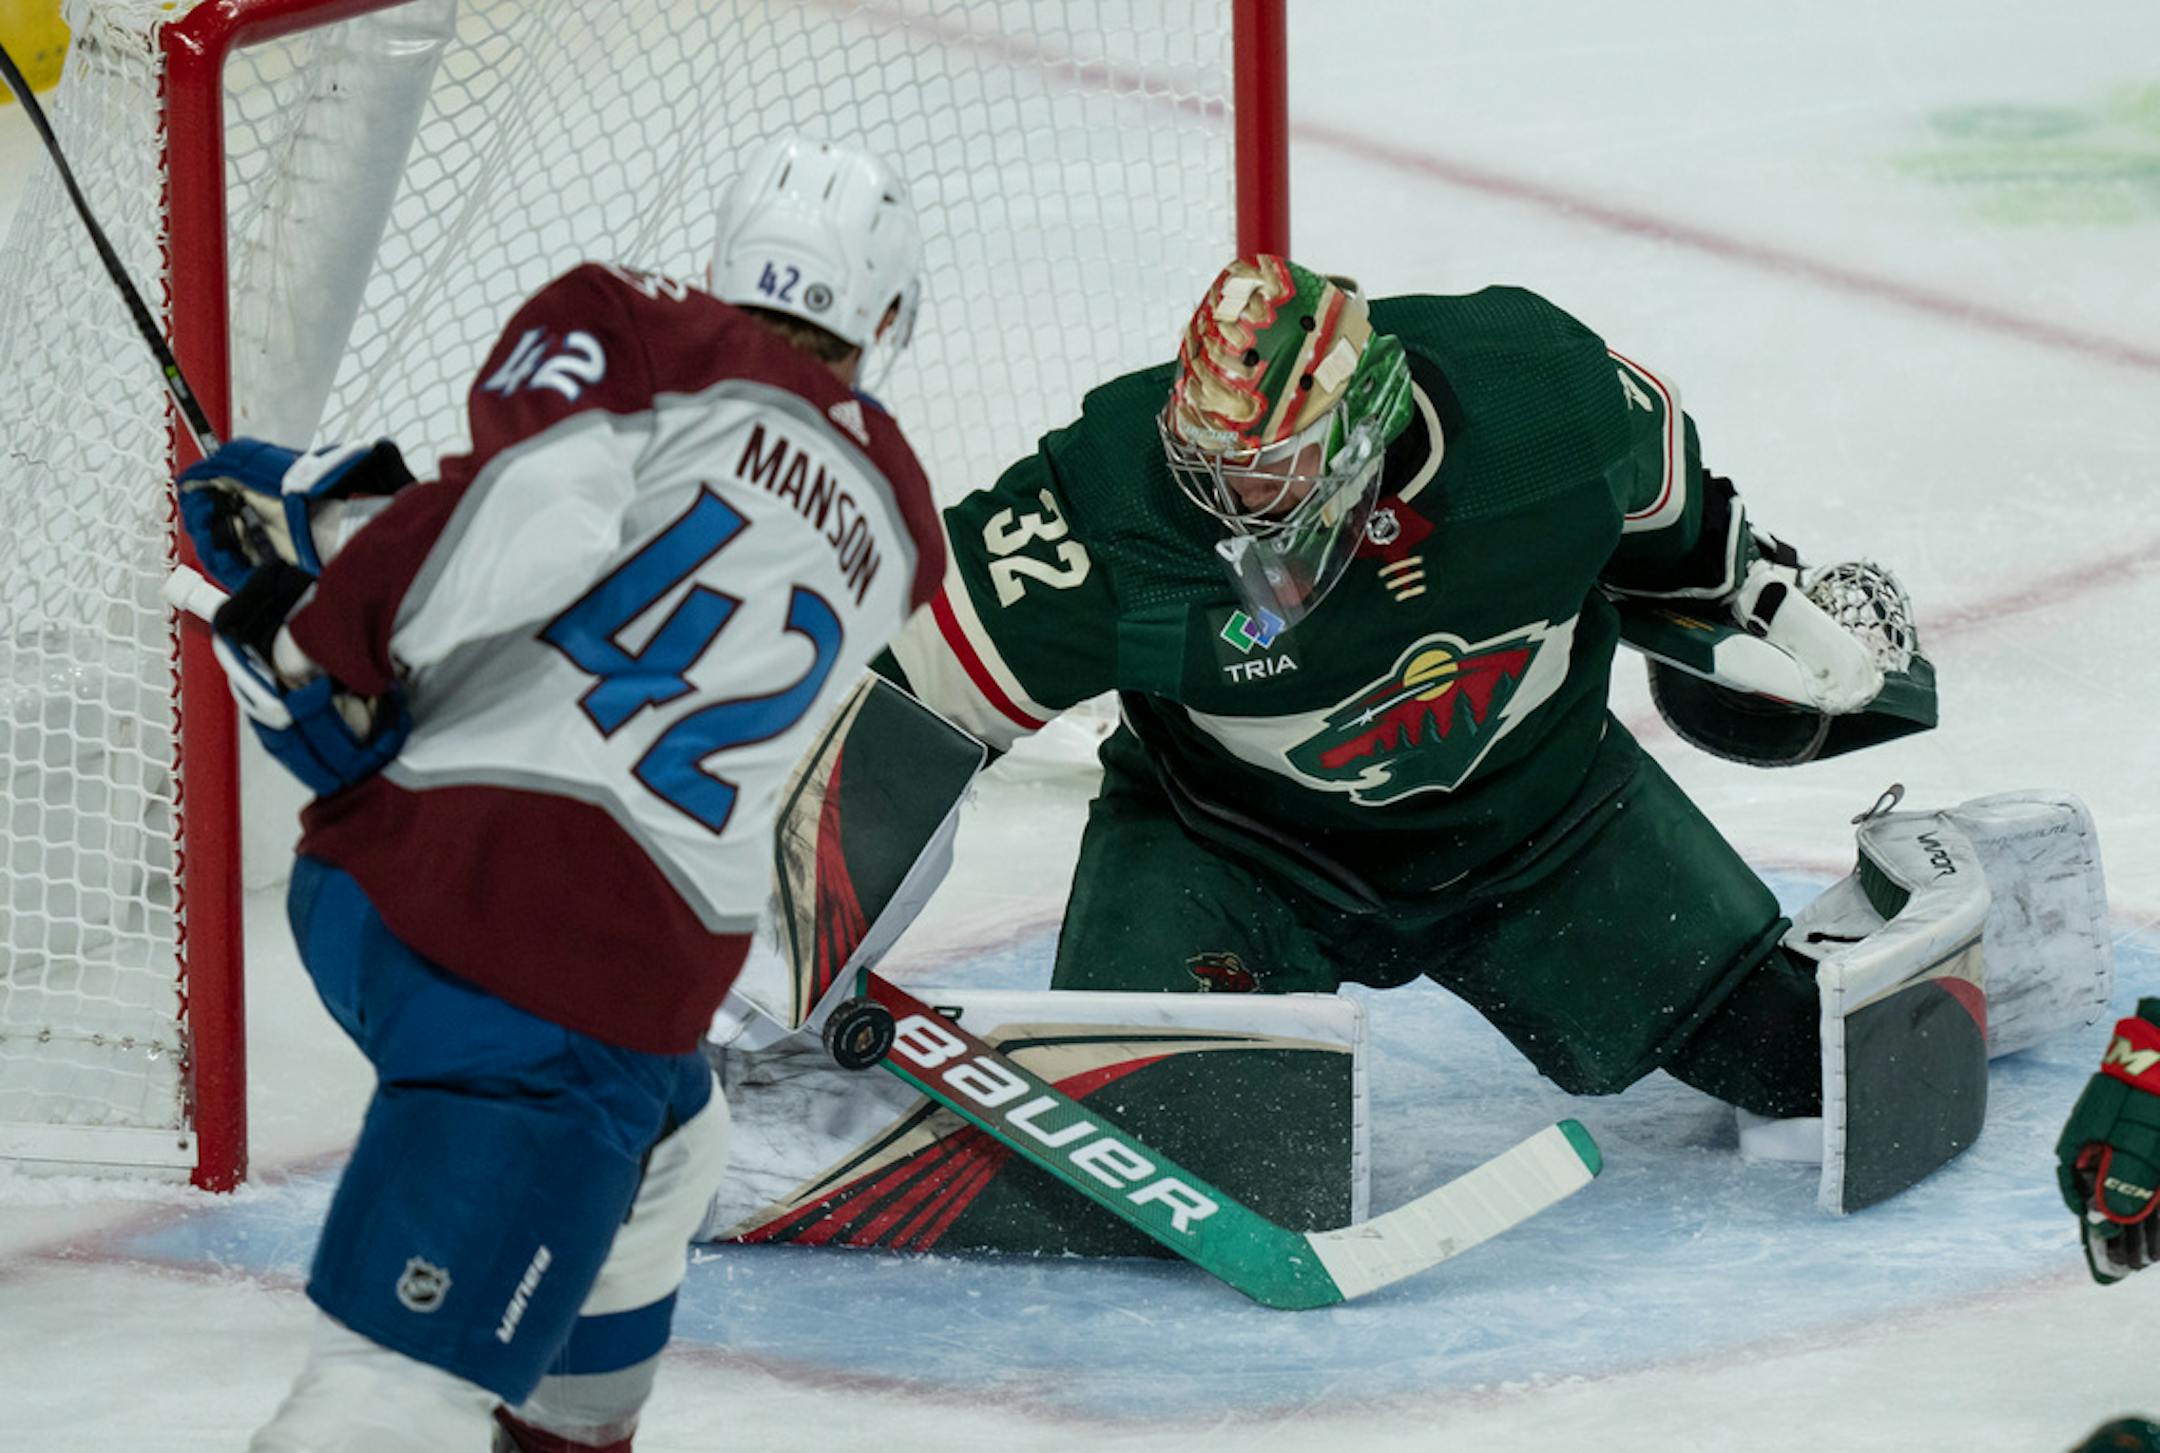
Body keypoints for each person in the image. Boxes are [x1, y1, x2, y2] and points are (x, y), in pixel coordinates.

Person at [178, 133, 944, 1453]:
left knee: (670, 1151)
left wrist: (321, 630)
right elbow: (609, 559)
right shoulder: (901, 516)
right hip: (542, 953)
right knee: (393, 1393)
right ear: (881, 322)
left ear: (721, 265)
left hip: (479, 904)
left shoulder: (634, 326)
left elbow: (537, 521)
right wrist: (359, 546)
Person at [876, 254, 1920, 1145]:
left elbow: (1678, 539)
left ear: (1362, 430)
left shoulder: (1545, 403)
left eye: (1266, 471)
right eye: (1208, 464)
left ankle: (1931, 890)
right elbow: (895, 709)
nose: (1222, 502)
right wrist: (781, 913)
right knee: (1151, 1134)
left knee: (1806, 1060)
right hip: (1235, 849)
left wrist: (1766, 597)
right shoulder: (1113, 515)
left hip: (1544, 824)